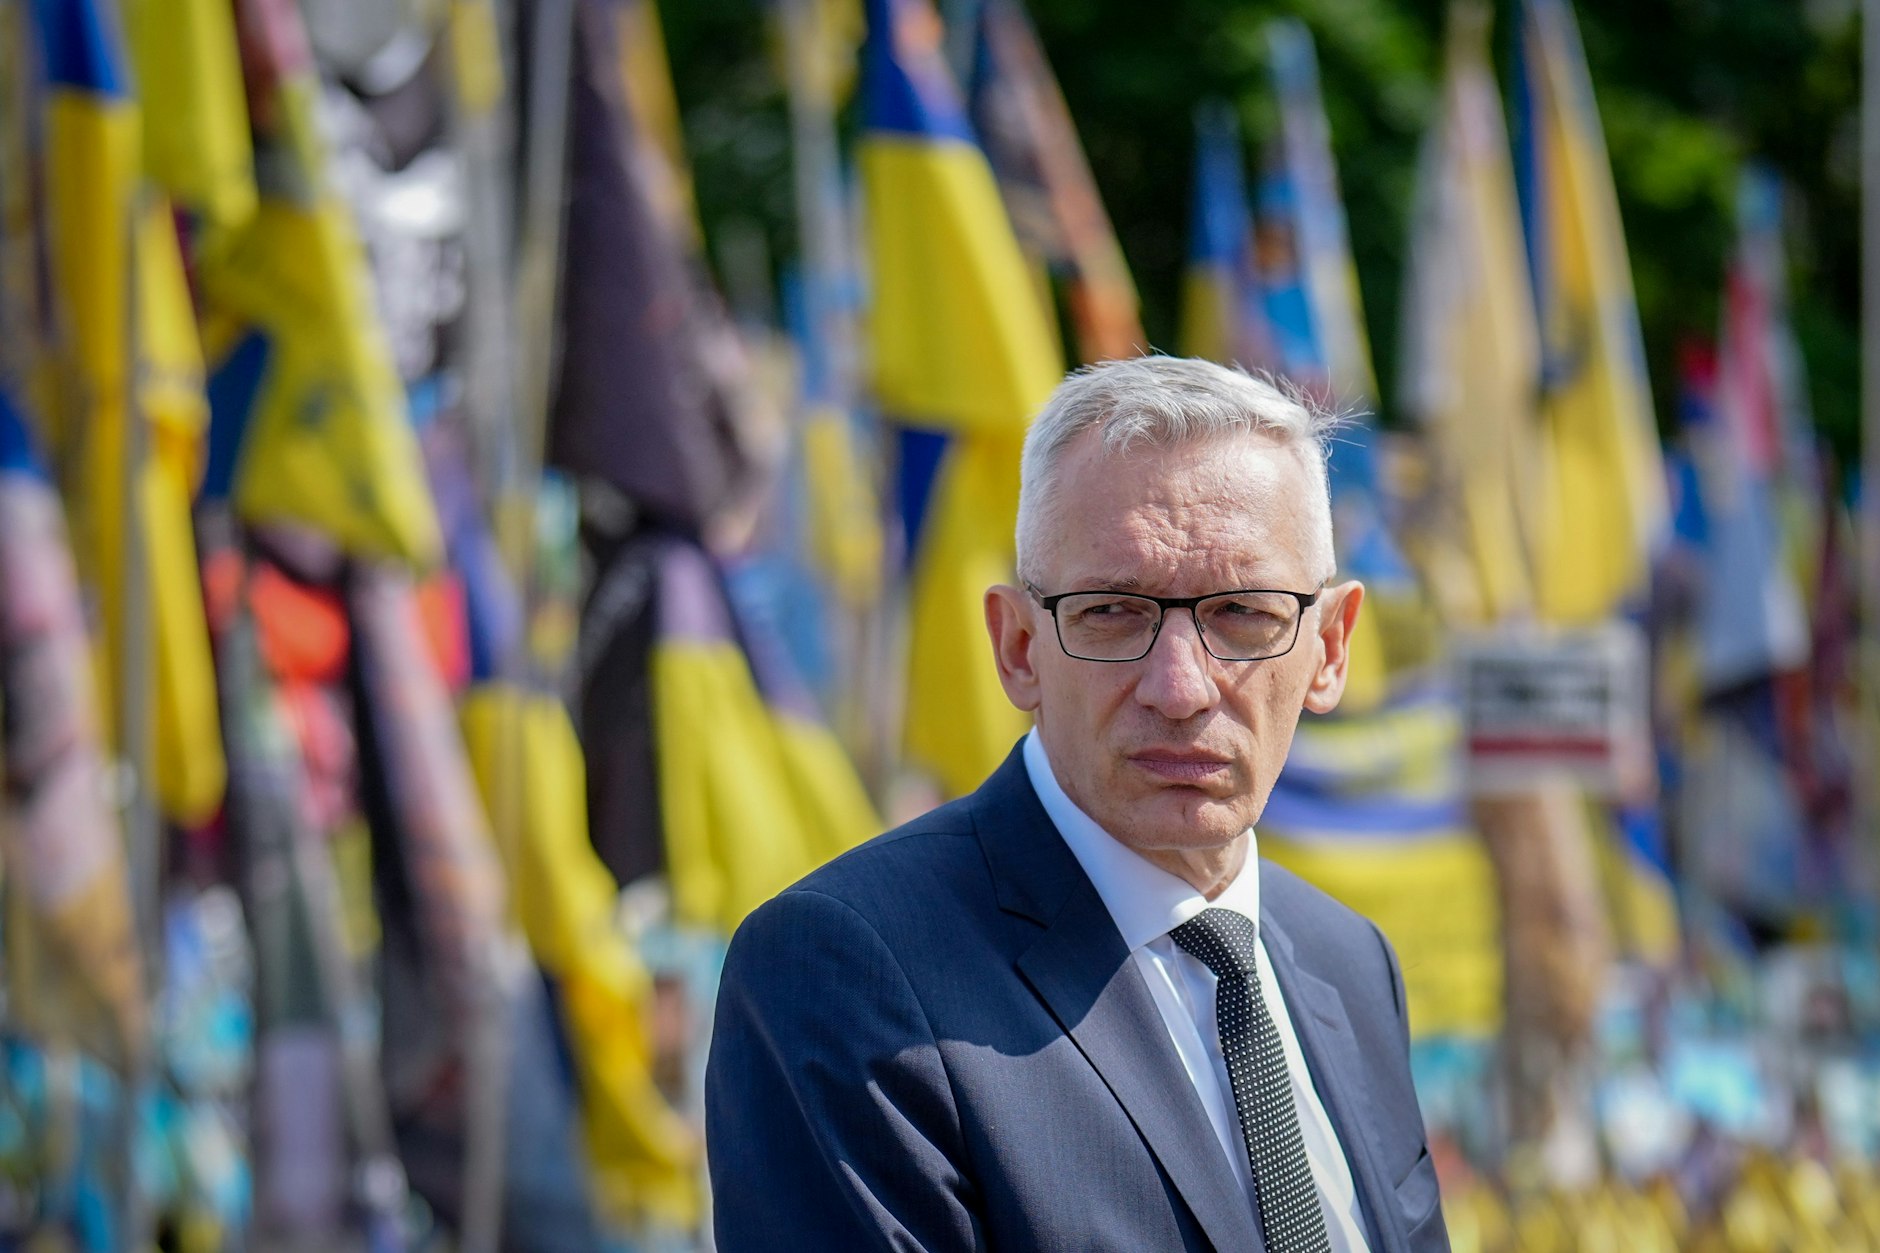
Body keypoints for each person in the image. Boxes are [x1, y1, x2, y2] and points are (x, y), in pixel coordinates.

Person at [706, 356, 1448, 1252]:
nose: (1180, 687)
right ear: (1019, 646)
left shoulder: (1350, 962)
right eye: (1113, 612)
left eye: (1244, 613)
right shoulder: (844, 973)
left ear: (1330, 647)